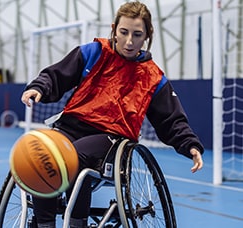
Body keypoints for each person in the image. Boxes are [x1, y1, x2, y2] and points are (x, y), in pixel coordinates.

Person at [21, 1, 204, 227]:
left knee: (73, 158)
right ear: (114, 29)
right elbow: (57, 75)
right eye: (124, 32)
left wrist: (190, 144)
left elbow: (171, 119)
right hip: (70, 127)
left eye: (137, 34)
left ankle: (77, 223)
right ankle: (44, 224)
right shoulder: (93, 53)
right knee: (42, 153)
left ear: (147, 35)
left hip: (110, 138)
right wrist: (39, 87)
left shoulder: (153, 78)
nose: (129, 41)